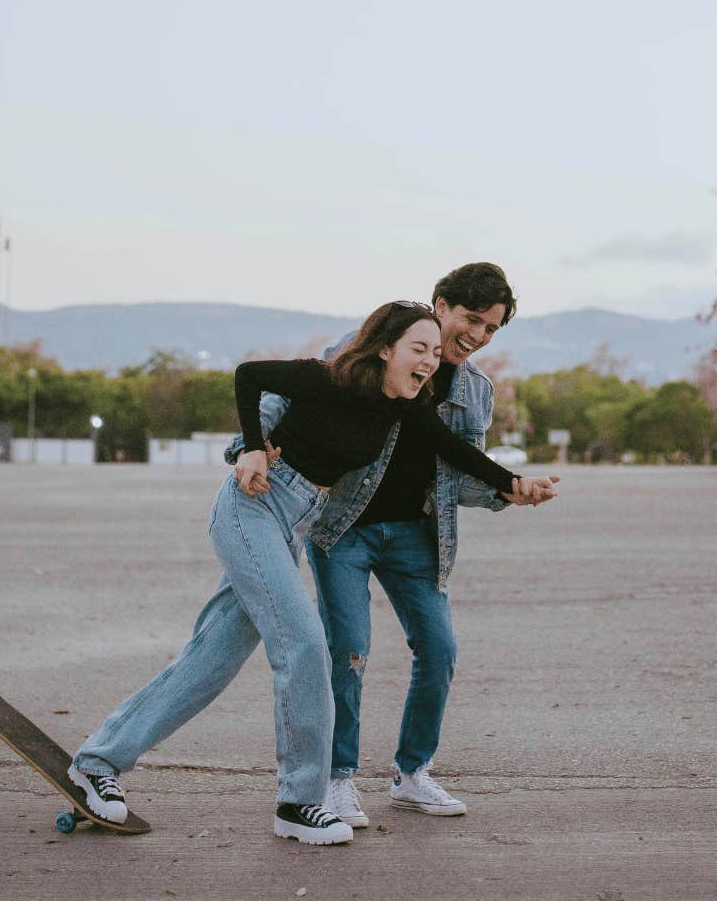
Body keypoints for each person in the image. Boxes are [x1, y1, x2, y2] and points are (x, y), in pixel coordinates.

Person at [68, 300, 556, 845]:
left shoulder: (404, 406)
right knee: (303, 642)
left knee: (210, 658)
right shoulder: (329, 379)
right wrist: (251, 448)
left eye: (435, 354)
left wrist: (514, 485)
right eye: (419, 349)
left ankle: (98, 761)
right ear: (384, 349)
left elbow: (453, 452)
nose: (429, 363)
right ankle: (300, 802)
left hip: (293, 525)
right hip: (253, 506)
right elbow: (250, 376)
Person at [233, 262, 555, 829]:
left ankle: (412, 775)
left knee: (440, 649)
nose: (478, 337)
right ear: (440, 304)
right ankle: (336, 782)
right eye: (472, 320)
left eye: (493, 330)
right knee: (349, 653)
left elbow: (461, 466)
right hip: (343, 528)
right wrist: (248, 448)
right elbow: (277, 398)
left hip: (418, 534)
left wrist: (512, 488)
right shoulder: (367, 347)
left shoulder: (475, 390)